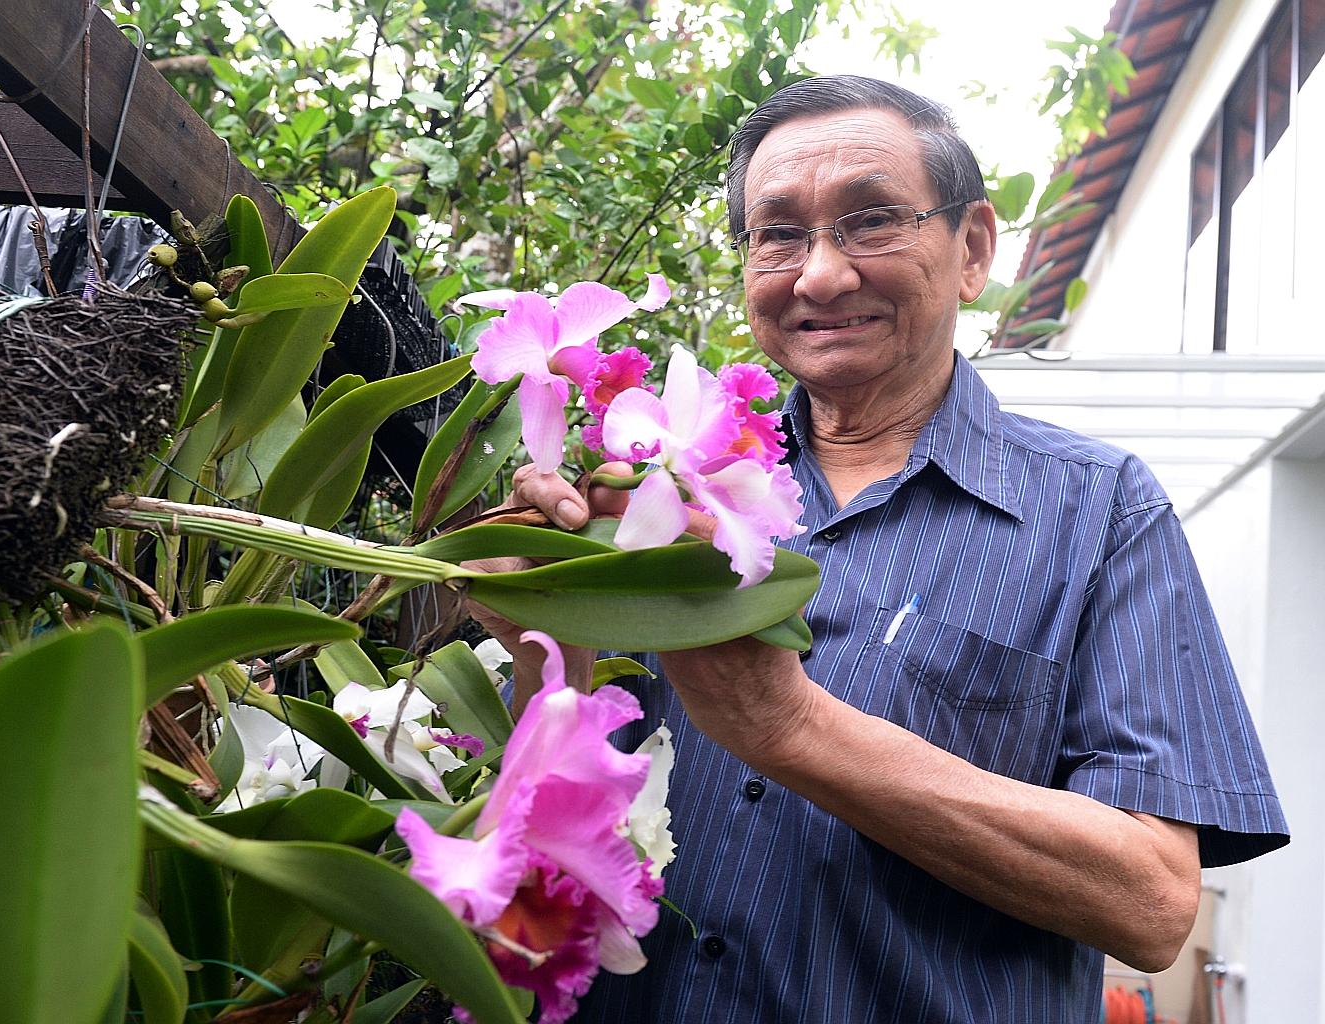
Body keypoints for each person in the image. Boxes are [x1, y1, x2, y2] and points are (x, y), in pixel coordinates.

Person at [470, 75, 1289, 1022]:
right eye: (778, 233)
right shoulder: (649, 486)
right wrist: (543, 638)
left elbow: (1151, 904)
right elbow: (557, 814)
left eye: (869, 221)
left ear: (973, 247)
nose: (818, 274)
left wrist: (793, 731)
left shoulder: (1099, 512)